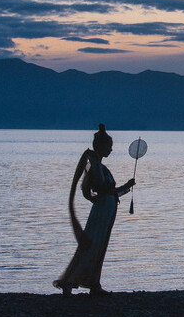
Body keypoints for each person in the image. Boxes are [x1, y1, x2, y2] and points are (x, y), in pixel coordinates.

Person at [53, 124, 134, 296]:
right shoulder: (95, 166)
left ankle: (93, 283)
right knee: (91, 245)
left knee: (99, 245)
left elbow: (108, 191)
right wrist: (119, 190)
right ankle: (70, 282)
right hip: (101, 211)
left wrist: (127, 186)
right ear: (102, 147)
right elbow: (100, 189)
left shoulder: (100, 166)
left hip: (106, 211)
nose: (111, 150)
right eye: (109, 147)